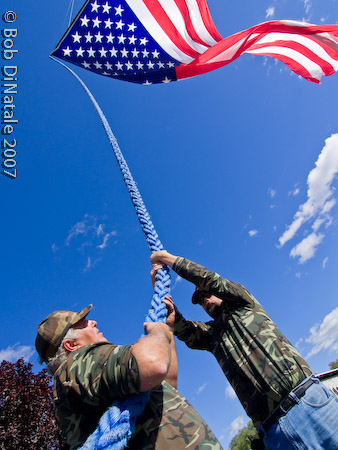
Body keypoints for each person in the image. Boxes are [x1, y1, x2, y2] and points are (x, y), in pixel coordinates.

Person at [150, 250, 338, 449]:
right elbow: (185, 329)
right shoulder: (212, 335)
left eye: (207, 294)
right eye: (200, 300)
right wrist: (162, 294)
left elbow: (209, 279)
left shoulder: (242, 303)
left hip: (311, 404)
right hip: (275, 434)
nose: (205, 300)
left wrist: (169, 260)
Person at [35, 301, 223, 450]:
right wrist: (156, 332)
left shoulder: (93, 375)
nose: (93, 322)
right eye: (83, 323)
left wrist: (166, 329)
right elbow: (153, 364)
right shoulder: (74, 366)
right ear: (71, 345)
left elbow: (167, 383)